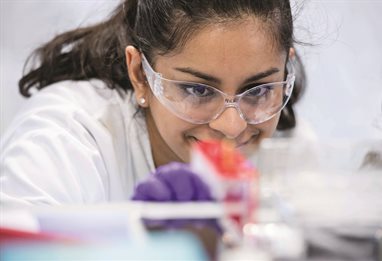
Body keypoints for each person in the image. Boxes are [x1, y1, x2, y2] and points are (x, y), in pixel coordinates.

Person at [0, 0, 306, 207]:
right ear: (140, 75)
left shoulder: (292, 149)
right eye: (198, 91)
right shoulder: (64, 140)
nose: (232, 126)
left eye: (257, 91)